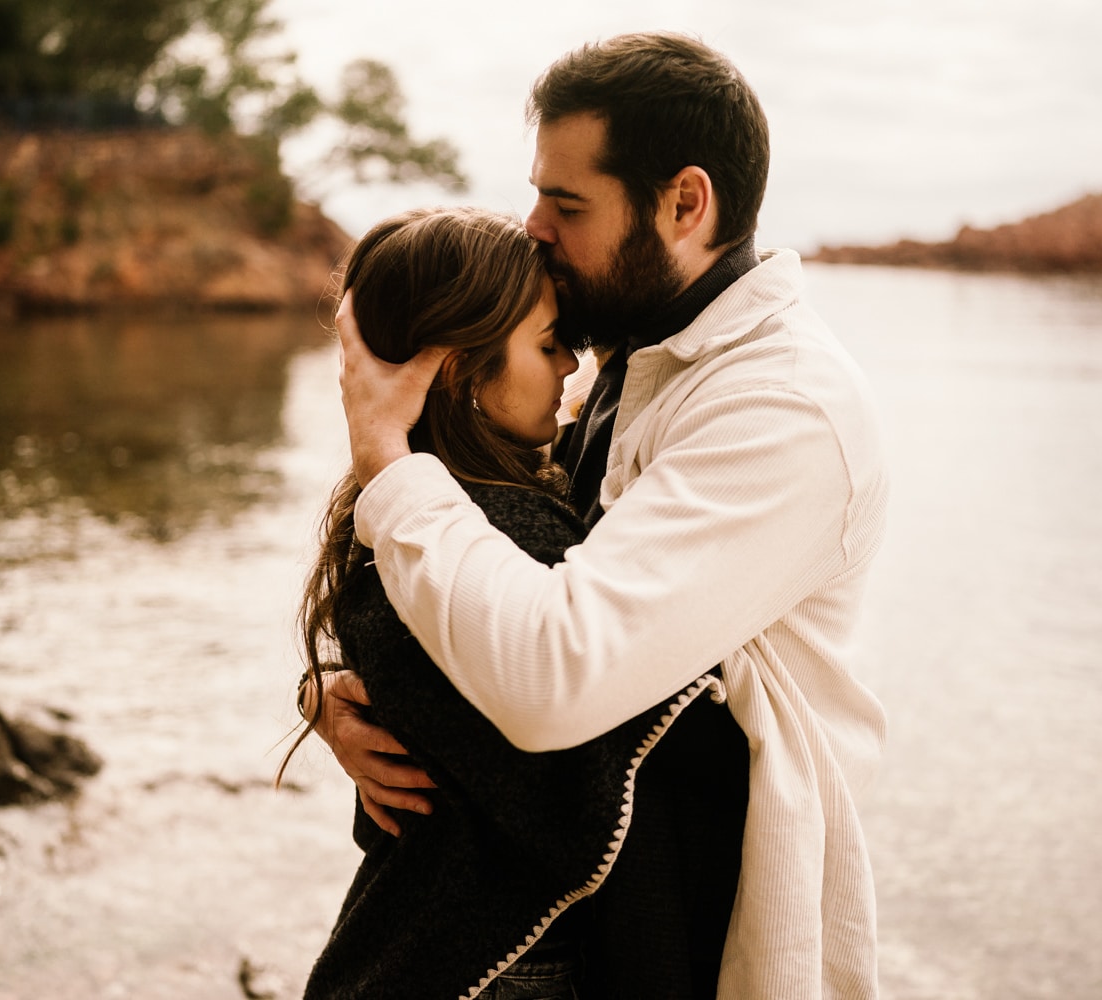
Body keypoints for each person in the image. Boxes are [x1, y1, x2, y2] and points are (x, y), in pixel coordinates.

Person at [323, 32, 890, 1000]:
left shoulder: (782, 408)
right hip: (600, 917)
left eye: (567, 203)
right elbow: (491, 557)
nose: (534, 225)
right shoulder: (647, 355)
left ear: (684, 202)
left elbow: (554, 675)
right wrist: (358, 687)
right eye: (538, 191)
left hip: (708, 924)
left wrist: (385, 457)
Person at [288, 206, 728, 999]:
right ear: (459, 368)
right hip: (505, 977)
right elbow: (580, 802)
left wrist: (322, 690)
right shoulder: (492, 535)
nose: (573, 366)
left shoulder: (414, 517)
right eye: (548, 343)